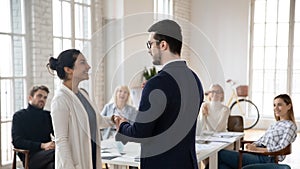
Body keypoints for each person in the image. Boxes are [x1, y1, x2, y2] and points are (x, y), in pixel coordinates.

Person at [115, 19, 204, 169]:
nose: (149, 49)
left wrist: (122, 124)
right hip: (188, 163)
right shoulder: (195, 79)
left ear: (163, 45)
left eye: (150, 44)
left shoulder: (157, 83)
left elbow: (140, 132)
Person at [47, 49, 115, 169]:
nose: (88, 67)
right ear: (68, 70)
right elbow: (61, 141)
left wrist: (113, 119)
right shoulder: (61, 100)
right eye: (82, 62)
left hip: (92, 159)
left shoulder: (83, 94)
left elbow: (96, 121)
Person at [218, 94, 297, 169]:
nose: (275, 108)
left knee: (220, 154)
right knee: (221, 166)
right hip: (256, 153)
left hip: (265, 158)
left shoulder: (290, 126)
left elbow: (280, 148)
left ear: (289, 106)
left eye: (279, 105)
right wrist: (252, 145)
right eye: (274, 105)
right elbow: (262, 140)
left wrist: (256, 149)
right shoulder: (275, 124)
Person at [11, 85, 55, 169]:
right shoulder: (19, 116)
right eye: (39, 96)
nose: (42, 99)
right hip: (30, 156)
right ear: (30, 98)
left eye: (45, 97)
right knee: (60, 153)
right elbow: (17, 141)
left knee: (55, 165)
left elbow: (57, 133)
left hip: (48, 155)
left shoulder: (48, 115)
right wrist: (42, 145)